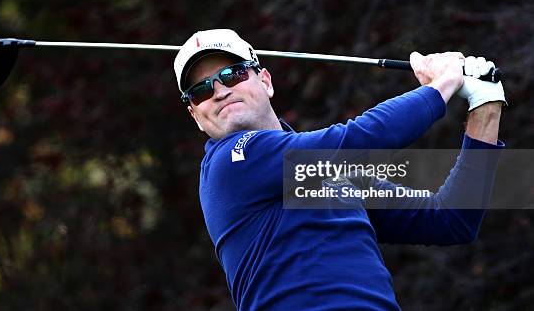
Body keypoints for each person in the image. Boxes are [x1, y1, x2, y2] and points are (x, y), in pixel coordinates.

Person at [173, 29, 506, 310]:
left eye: (232, 74)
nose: (219, 91)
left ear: (265, 81)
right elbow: (360, 138)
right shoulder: (233, 162)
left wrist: (485, 105)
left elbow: (451, 220)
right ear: (194, 116)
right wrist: (443, 83)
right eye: (201, 91)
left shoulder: (322, 172)